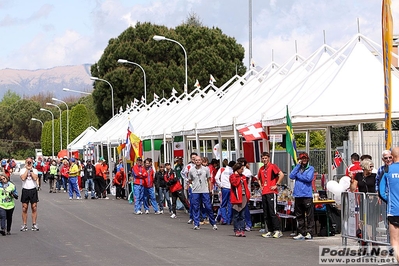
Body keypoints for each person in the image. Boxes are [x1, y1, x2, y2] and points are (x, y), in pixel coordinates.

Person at [257, 152, 285, 238]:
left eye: (265, 158)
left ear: (268, 158)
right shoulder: (261, 169)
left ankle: (278, 230)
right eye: (263, 158)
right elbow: (258, 178)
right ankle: (270, 230)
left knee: (273, 211)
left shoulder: (272, 166)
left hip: (271, 192)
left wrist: (277, 184)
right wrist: (261, 186)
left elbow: (281, 174)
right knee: (266, 212)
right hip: (264, 192)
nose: (264, 160)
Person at [379, 147, 399, 262]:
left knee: (395, 240)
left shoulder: (387, 170)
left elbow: (381, 192)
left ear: (393, 156)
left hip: (394, 209)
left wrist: (390, 199)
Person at [289, 152, 315, 240]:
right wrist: (297, 167)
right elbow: (291, 176)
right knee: (299, 215)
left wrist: (298, 175)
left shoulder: (311, 168)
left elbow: (308, 178)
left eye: (305, 158)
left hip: (307, 195)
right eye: (302, 159)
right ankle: (301, 232)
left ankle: (310, 232)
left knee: (309, 215)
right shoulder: (297, 168)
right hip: (298, 195)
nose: (304, 160)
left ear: (307, 159)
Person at [188, 156, 218, 230]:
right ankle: (196, 223)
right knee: (196, 207)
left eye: (199, 160)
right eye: (196, 160)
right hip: (195, 191)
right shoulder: (191, 170)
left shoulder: (206, 169)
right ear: (194, 161)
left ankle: (213, 223)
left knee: (208, 207)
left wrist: (210, 190)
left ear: (201, 161)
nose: (197, 161)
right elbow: (190, 180)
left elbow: (209, 180)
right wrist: (193, 186)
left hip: (205, 191)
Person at [230, 163, 250, 237]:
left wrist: (248, 196)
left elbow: (245, 187)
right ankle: (236, 229)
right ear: (237, 169)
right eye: (241, 169)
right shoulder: (232, 176)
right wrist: (237, 176)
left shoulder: (244, 177)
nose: (242, 171)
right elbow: (235, 184)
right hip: (236, 197)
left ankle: (242, 229)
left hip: (243, 197)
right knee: (236, 215)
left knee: (242, 215)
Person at [20, 157, 39, 231]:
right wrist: (27, 170)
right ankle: (24, 224)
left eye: (30, 162)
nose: (29, 163)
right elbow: (23, 178)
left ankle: (34, 224)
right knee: (24, 208)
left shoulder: (35, 170)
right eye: (27, 162)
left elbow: (35, 178)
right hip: (25, 190)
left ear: (32, 163)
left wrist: (31, 170)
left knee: (34, 207)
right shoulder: (22, 170)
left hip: (33, 190)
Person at [215, 160, 235, 225]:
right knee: (230, 204)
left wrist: (220, 185)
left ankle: (225, 219)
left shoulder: (222, 169)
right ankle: (229, 220)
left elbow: (216, 178)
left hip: (224, 188)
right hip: (231, 188)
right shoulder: (233, 171)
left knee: (223, 204)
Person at [181, 152, 197, 224]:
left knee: (199, 202)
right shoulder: (188, 166)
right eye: (193, 158)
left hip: (200, 187)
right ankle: (191, 217)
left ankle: (199, 217)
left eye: (195, 157)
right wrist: (187, 180)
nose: (194, 159)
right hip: (191, 186)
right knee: (192, 202)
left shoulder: (200, 166)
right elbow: (182, 173)